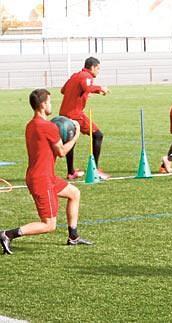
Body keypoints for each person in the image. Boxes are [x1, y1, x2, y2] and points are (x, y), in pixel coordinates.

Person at [1, 89, 93, 255]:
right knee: (49, 224)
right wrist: (75, 135)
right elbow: (62, 152)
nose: (51, 105)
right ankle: (8, 234)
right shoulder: (48, 127)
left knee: (74, 193)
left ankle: (73, 237)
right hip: (41, 179)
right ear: (43, 104)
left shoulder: (31, 125)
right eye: (50, 102)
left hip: (45, 176)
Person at [59, 56, 110, 180]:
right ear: (92, 67)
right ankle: (95, 169)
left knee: (70, 140)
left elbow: (63, 90)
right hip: (75, 114)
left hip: (64, 113)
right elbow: (87, 87)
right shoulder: (87, 76)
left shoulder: (75, 75)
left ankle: (71, 172)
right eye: (98, 68)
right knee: (98, 135)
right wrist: (100, 88)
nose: (98, 71)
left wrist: (84, 93)